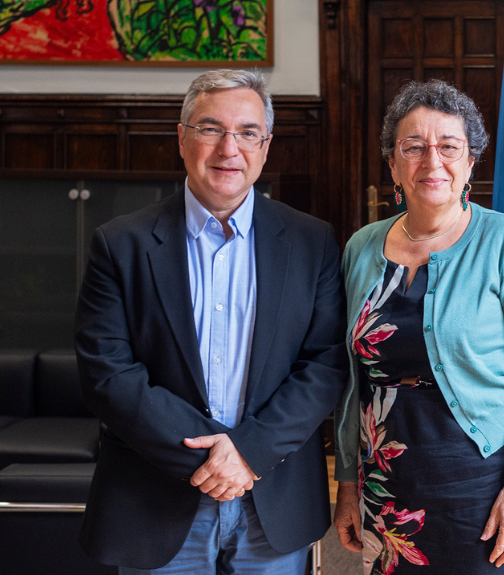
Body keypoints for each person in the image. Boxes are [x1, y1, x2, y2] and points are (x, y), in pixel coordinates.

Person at [74, 69, 347, 574]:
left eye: (247, 132)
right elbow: (107, 375)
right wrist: (211, 462)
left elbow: (326, 365)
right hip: (153, 499)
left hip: (272, 500)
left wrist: (247, 453)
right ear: (182, 138)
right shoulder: (121, 244)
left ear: (265, 146)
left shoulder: (312, 243)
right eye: (210, 129)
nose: (229, 148)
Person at [332, 79, 504, 573]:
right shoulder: (360, 247)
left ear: (471, 161)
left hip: (481, 481)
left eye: (448, 146)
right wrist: (347, 483)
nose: (431, 160)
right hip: (389, 483)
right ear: (392, 164)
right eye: (412, 147)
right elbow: (351, 379)